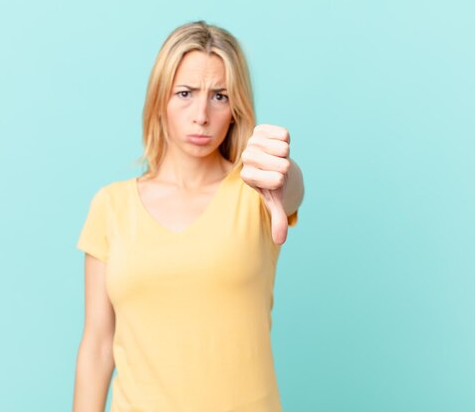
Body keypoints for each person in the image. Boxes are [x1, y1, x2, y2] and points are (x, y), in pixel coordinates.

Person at [72, 20, 304, 412]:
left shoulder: (255, 194)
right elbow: (97, 344)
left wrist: (280, 170)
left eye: (219, 96)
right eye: (185, 93)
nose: (201, 114)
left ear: (236, 108)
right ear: (160, 99)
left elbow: (291, 188)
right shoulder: (111, 206)